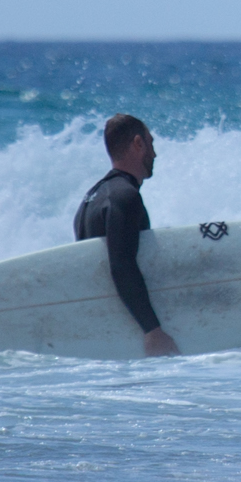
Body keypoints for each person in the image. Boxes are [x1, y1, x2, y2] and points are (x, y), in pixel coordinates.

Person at [74, 113, 181, 357]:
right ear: (138, 144)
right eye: (151, 144)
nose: (155, 153)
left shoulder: (91, 198)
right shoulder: (125, 196)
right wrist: (153, 331)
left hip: (108, 337)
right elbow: (121, 264)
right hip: (137, 333)